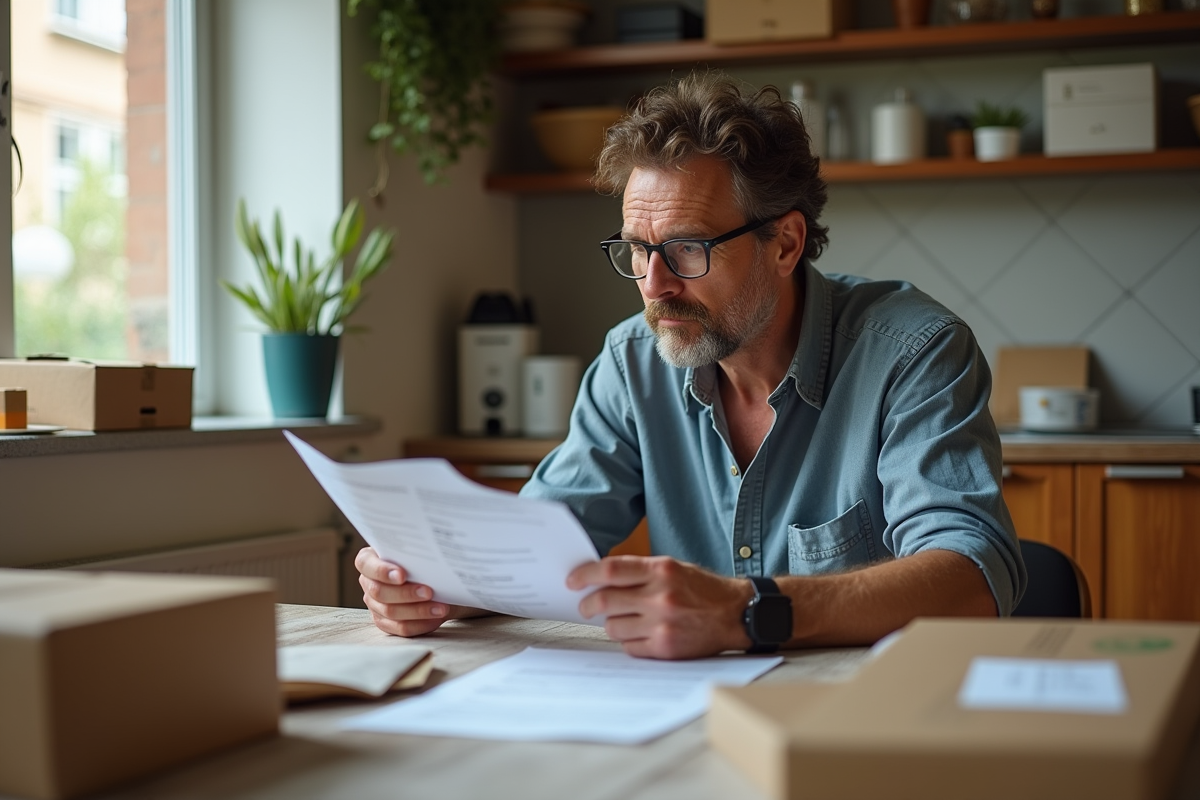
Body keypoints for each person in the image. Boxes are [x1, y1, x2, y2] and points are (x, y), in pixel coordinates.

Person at [356, 71, 1026, 660]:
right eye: (637, 250)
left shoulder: (913, 353)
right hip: (691, 719)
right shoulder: (631, 363)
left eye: (686, 250)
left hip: (868, 720)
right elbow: (531, 552)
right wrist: (430, 588)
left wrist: (746, 610)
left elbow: (971, 575)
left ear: (785, 243)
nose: (654, 284)